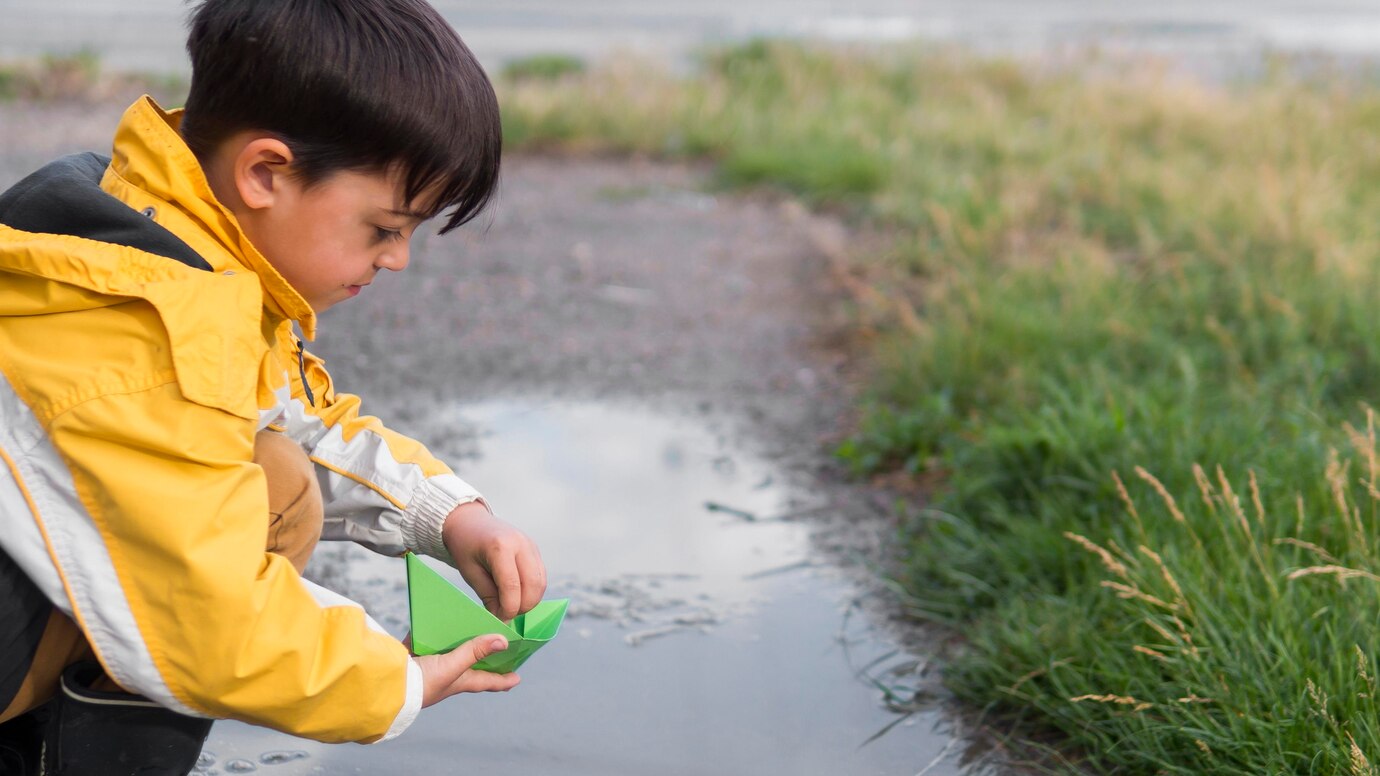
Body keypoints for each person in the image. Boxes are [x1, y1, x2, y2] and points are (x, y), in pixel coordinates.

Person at [0, 0, 547, 773]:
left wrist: (451, 517)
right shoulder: (142, 325)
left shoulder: (157, 233)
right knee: (255, 513)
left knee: (276, 466)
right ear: (264, 173)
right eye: (386, 228)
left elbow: (304, 420)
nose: (399, 260)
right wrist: (395, 682)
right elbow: (212, 625)